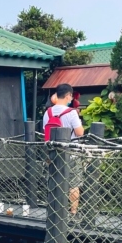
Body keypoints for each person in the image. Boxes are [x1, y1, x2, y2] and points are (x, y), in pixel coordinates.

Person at [42, 84, 85, 214]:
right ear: (67, 96)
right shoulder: (71, 112)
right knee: (73, 183)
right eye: (71, 96)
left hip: (53, 152)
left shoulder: (47, 112)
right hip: (71, 152)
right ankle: (73, 212)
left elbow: (46, 132)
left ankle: (55, 209)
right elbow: (79, 133)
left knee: (55, 180)